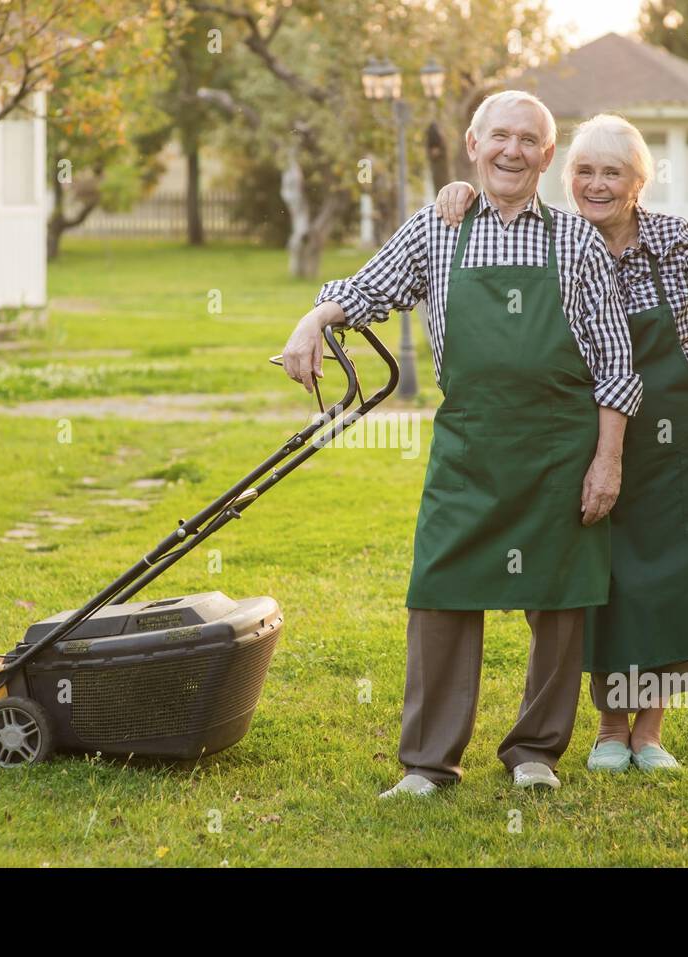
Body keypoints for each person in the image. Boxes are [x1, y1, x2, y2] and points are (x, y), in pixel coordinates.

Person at [282, 92, 641, 797]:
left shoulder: (577, 242)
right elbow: (369, 287)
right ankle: (428, 762)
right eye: (498, 136)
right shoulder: (437, 227)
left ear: (547, 154)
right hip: (470, 447)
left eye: (527, 139)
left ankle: (536, 750)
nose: (512, 150)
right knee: (440, 591)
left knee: (561, 600)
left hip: (559, 447)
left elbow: (615, 364)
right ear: (473, 144)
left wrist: (608, 460)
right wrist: (313, 319)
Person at [436, 112, 688, 772]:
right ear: (566, 178)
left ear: (637, 182)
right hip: (590, 437)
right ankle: (608, 726)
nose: (597, 184)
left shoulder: (675, 241)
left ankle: (648, 731)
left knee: (670, 580)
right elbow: (489, 221)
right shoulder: (555, 242)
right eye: (585, 172)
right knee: (603, 579)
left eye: (612, 173)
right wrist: (461, 194)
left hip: (684, 437)